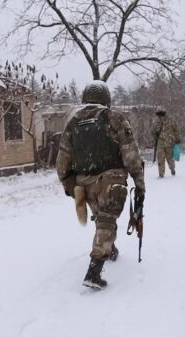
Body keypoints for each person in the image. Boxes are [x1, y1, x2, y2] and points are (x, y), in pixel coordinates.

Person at [56, 80, 145, 290]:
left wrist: (70, 185)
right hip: (111, 179)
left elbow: (62, 161)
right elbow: (131, 155)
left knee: (102, 217)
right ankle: (94, 272)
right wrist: (139, 184)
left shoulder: (73, 122)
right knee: (106, 218)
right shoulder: (115, 118)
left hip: (84, 183)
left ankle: (109, 248)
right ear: (106, 99)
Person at [152, 109, 181, 178]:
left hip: (168, 142)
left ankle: (171, 169)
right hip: (163, 143)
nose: (160, 115)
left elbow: (176, 130)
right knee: (161, 159)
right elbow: (153, 131)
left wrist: (177, 139)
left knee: (169, 158)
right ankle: (162, 173)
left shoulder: (170, 120)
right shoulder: (157, 121)